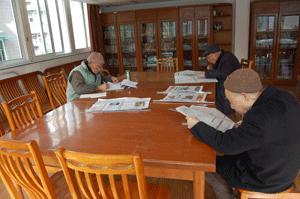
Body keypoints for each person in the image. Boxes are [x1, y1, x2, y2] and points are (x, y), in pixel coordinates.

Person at [186, 68, 300, 199]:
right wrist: (248, 127)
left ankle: (229, 196)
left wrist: (197, 125)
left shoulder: (259, 118)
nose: (231, 106)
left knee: (206, 165)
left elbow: (225, 145)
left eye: (231, 100)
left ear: (244, 95)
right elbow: (275, 127)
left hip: (265, 179)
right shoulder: (285, 96)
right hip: (285, 169)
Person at [197, 44, 241, 116]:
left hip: (233, 86)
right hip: (229, 81)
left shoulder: (228, 58)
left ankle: (222, 112)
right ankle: (214, 107)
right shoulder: (223, 56)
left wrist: (206, 74)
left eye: (209, 57)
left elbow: (223, 73)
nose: (208, 60)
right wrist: (213, 68)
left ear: (216, 54)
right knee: (211, 87)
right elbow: (221, 68)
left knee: (213, 89)